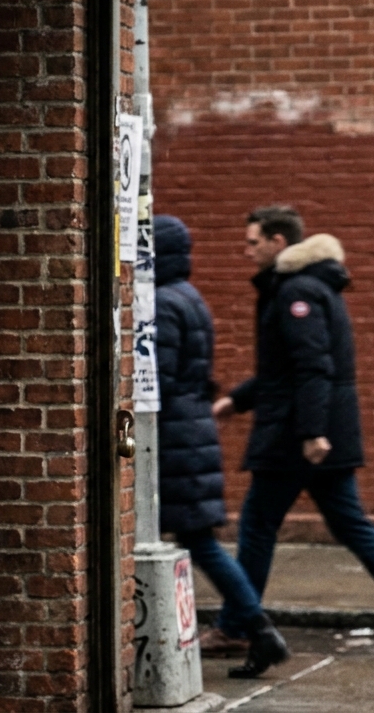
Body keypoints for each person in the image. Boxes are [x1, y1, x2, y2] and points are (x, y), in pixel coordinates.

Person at [212, 205, 374, 662]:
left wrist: (313, 432)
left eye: (253, 241)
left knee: (258, 527)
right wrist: (237, 400)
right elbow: (284, 370)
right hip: (311, 432)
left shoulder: (297, 291)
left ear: (279, 243)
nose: (246, 250)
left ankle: (237, 625)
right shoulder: (309, 286)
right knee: (352, 525)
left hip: (296, 437)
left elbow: (312, 367)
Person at [153, 215, 289, 678]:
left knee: (199, 543)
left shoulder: (163, 304)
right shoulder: (191, 299)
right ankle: (254, 628)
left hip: (173, 436)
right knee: (197, 541)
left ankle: (258, 628)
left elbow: (161, 380)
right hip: (191, 431)